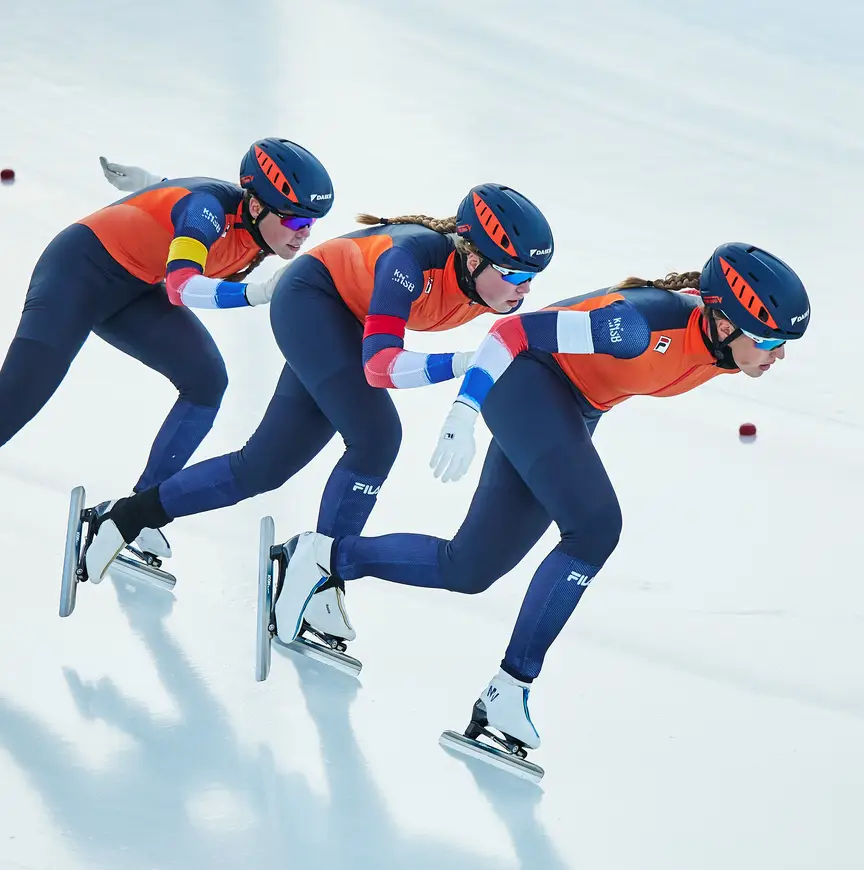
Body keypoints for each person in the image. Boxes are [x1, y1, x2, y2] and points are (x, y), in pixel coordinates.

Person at [260, 242, 810, 753]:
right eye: (768, 340)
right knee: (595, 527)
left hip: (571, 407)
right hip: (525, 381)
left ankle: (320, 557)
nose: (779, 355)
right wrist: (465, 410)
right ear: (723, 321)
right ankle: (510, 689)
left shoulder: (716, 333)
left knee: (470, 567)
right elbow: (511, 333)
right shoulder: (634, 326)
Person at [82, 184, 556, 641]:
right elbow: (380, 365)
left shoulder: (484, 285)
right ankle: (321, 574)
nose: (525, 289)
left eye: (531, 277)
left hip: (344, 320)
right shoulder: (408, 263)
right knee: (376, 437)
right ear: (472, 259)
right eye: (515, 275)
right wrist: (464, 363)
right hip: (312, 300)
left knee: (264, 466)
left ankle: (125, 517)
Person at [0, 138, 333, 557]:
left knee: (206, 381)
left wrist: (152, 187)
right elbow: (180, 284)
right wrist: (257, 293)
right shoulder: (208, 212)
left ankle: (130, 516)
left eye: (312, 223)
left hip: (135, 287)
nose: (304, 233)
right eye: (296, 219)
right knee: (17, 399)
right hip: (77, 273)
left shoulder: (257, 226)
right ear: (255, 206)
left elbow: (183, 204)